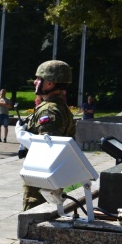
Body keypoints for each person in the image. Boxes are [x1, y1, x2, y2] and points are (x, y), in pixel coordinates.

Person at [16, 60, 76, 210]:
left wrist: (22, 136)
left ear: (49, 83)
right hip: (52, 175)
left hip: (42, 178)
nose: (35, 82)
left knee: (34, 216)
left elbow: (48, 148)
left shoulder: (49, 110)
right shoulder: (59, 106)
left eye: (39, 79)